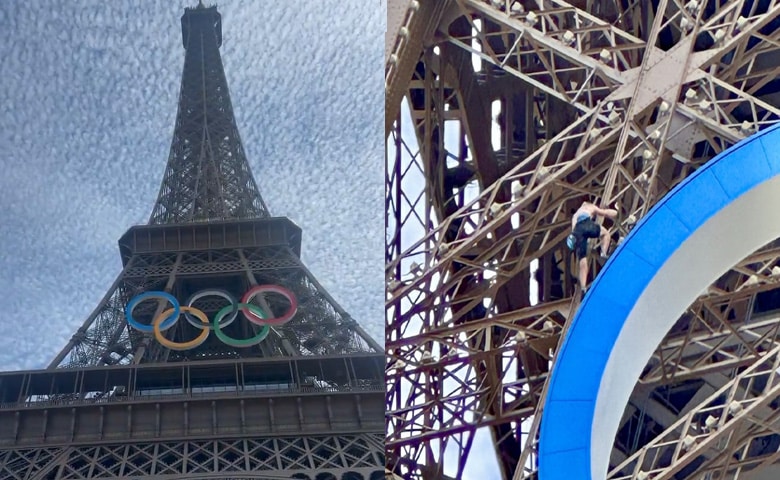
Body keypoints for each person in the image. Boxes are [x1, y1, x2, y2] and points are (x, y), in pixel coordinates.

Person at [567, 199, 618, 295]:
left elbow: (574, 229)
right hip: (586, 223)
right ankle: (603, 253)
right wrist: (616, 213)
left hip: (577, 231)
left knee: (582, 261)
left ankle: (583, 288)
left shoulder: (575, 215)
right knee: (605, 234)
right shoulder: (590, 207)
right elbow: (605, 213)